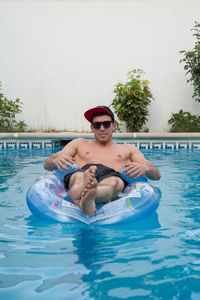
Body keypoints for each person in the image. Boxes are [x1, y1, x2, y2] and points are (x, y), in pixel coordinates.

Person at [44, 105, 161, 215]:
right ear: (91, 128)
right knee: (79, 177)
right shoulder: (79, 143)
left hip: (111, 174)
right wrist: (55, 161)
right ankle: (85, 196)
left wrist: (145, 168)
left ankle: (90, 196)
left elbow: (156, 174)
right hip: (83, 171)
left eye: (106, 124)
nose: (102, 128)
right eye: (97, 125)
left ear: (113, 126)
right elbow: (48, 163)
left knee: (114, 182)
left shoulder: (128, 149)